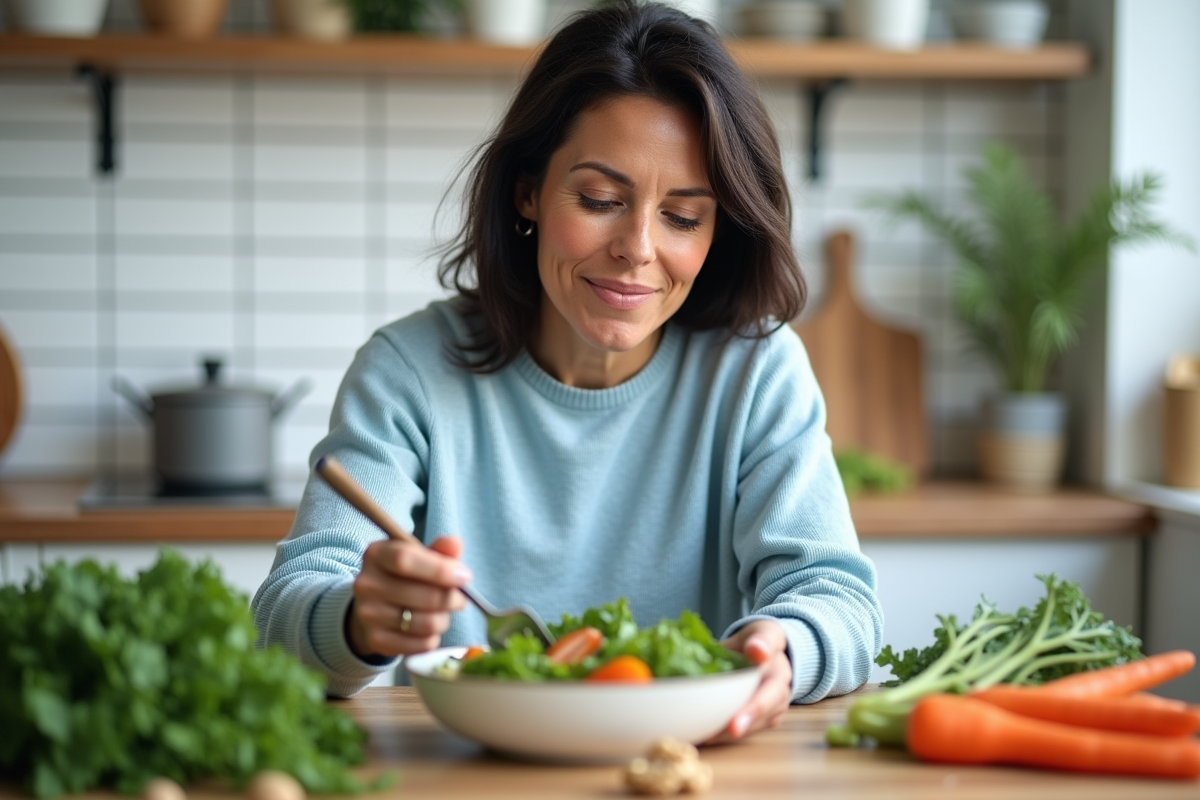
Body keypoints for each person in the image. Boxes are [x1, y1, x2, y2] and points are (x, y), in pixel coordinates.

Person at [252, 0, 882, 742]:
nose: (638, 248)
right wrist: (358, 617)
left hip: (691, 774)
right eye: (600, 200)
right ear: (528, 190)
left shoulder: (756, 372)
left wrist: (789, 645)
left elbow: (836, 597)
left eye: (683, 217)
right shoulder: (408, 373)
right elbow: (285, 615)